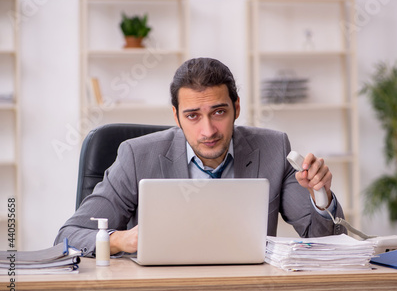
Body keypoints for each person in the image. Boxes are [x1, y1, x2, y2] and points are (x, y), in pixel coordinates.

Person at [54, 57, 346, 257]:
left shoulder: (274, 148)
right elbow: (69, 235)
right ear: (176, 116)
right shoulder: (136, 156)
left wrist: (321, 196)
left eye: (218, 112)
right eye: (192, 116)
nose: (208, 130)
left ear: (237, 108)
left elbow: (325, 240)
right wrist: (120, 240)